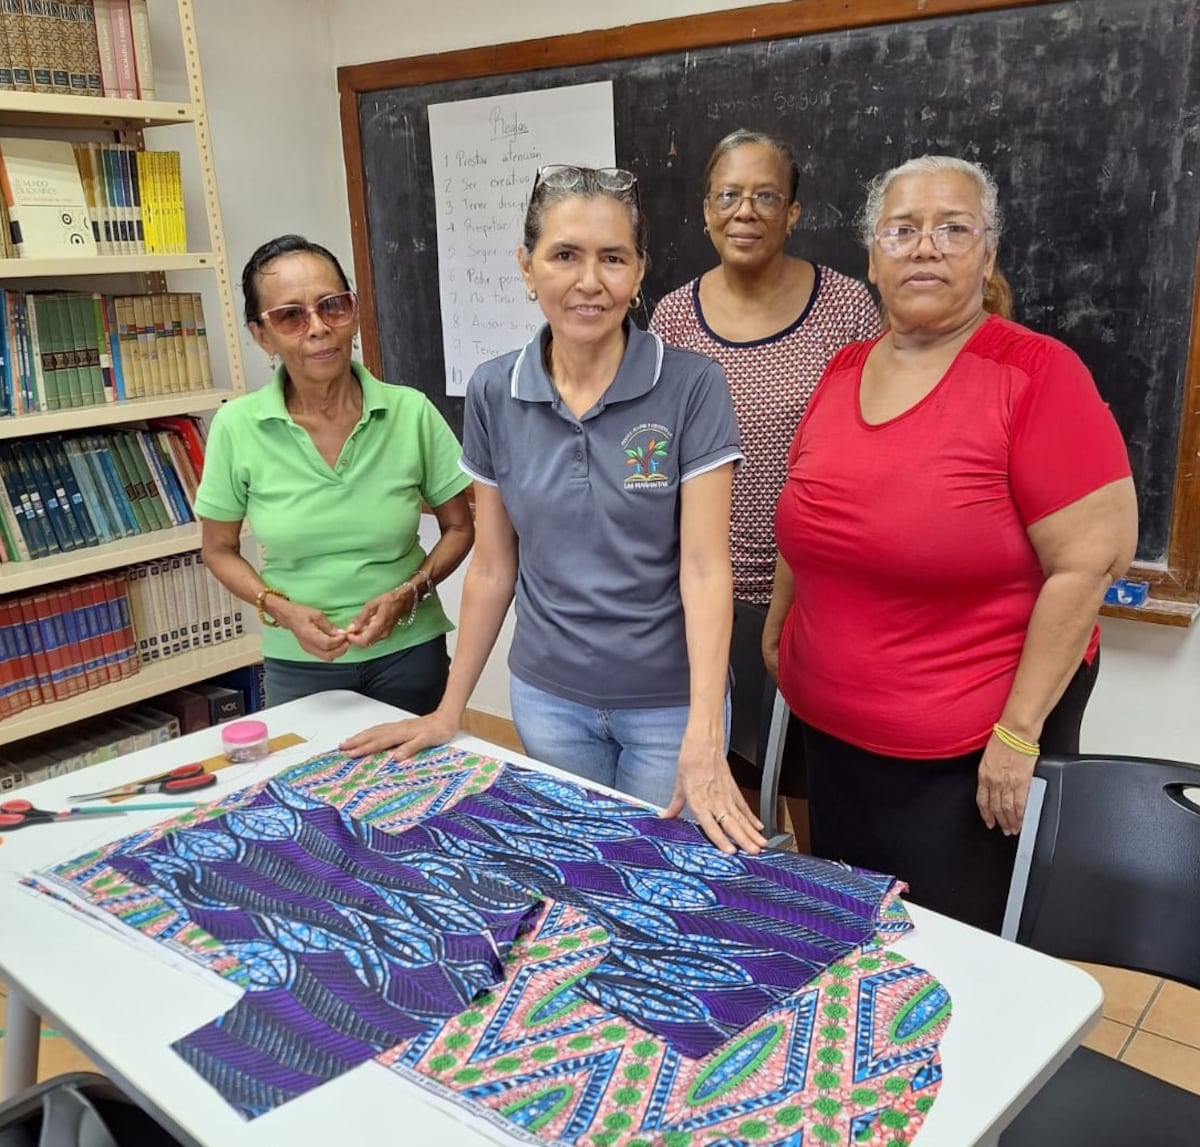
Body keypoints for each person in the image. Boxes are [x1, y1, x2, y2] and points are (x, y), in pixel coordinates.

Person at [344, 166, 767, 855]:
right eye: (565, 255)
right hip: (548, 701)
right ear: (527, 266)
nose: (589, 281)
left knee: (658, 882)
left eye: (613, 257)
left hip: (667, 705)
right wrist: (450, 709)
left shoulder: (691, 386)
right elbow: (491, 567)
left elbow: (704, 568)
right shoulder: (493, 390)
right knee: (573, 869)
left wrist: (704, 730)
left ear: (638, 273)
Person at [763, 155, 1137, 932]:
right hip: (835, 741)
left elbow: (1091, 561)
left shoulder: (1036, 374)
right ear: (872, 256)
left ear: (988, 254)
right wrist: (780, 621)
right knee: (852, 940)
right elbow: (806, 516)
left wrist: (1017, 732)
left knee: (955, 965)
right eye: (901, 230)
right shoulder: (842, 369)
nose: (924, 247)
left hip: (968, 764)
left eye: (951, 228)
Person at [650, 129, 880, 840]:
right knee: (733, 775)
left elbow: (872, 444)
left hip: (818, 595)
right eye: (729, 195)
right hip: (706, 588)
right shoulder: (672, 317)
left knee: (817, 781)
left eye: (765, 196)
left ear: (794, 212)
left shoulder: (847, 309)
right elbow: (657, 456)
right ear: (705, 209)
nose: (745, 211)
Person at [196, 234, 475, 712]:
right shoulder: (237, 427)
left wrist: (409, 594)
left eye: (333, 306)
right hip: (298, 662)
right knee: (311, 785)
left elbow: (460, 527)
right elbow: (218, 550)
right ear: (262, 335)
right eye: (290, 315)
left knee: (422, 782)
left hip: (410, 652)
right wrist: (281, 611)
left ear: (354, 311)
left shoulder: (410, 412)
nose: (318, 327)